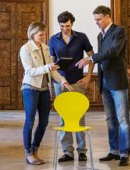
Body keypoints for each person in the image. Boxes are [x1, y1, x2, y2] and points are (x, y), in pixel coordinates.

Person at [75, 5, 130, 167]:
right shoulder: (101, 36)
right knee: (110, 119)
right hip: (104, 81)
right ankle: (114, 150)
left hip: (118, 81)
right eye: (95, 20)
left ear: (108, 17)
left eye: (99, 19)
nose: (97, 23)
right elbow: (109, 58)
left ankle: (124, 153)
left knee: (122, 120)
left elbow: (114, 52)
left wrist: (90, 59)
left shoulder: (119, 31)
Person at [20, 21, 72, 165]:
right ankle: (28, 152)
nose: (43, 36)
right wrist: (47, 67)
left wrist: (63, 81)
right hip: (30, 88)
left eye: (44, 34)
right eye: (40, 34)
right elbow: (29, 71)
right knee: (30, 121)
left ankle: (35, 149)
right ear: (32, 34)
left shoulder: (45, 48)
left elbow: (53, 70)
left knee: (44, 122)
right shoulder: (25, 49)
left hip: (44, 90)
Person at [48, 11, 94, 164]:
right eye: (62, 26)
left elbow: (91, 56)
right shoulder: (53, 40)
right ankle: (67, 151)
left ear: (72, 24)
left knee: (79, 116)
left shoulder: (81, 37)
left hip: (77, 81)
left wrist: (88, 76)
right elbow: (52, 63)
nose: (65, 29)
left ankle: (82, 151)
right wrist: (53, 81)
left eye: (67, 26)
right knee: (63, 117)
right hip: (60, 82)